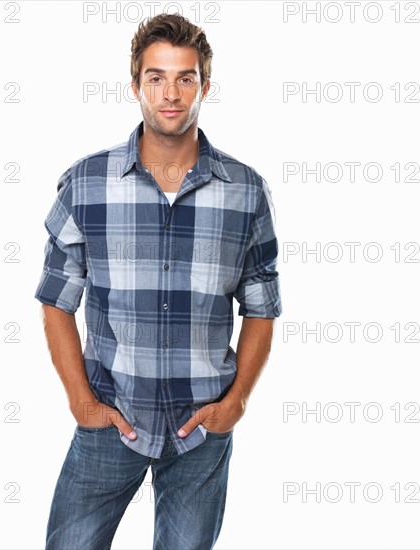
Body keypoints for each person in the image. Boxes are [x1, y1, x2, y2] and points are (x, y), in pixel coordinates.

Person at [34, 12, 282, 550]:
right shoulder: (86, 183)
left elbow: (262, 307)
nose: (171, 93)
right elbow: (56, 300)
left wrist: (236, 402)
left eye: (185, 78)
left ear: (205, 87)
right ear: (135, 85)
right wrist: (80, 400)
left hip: (202, 426)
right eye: (156, 77)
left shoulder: (245, 191)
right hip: (110, 419)